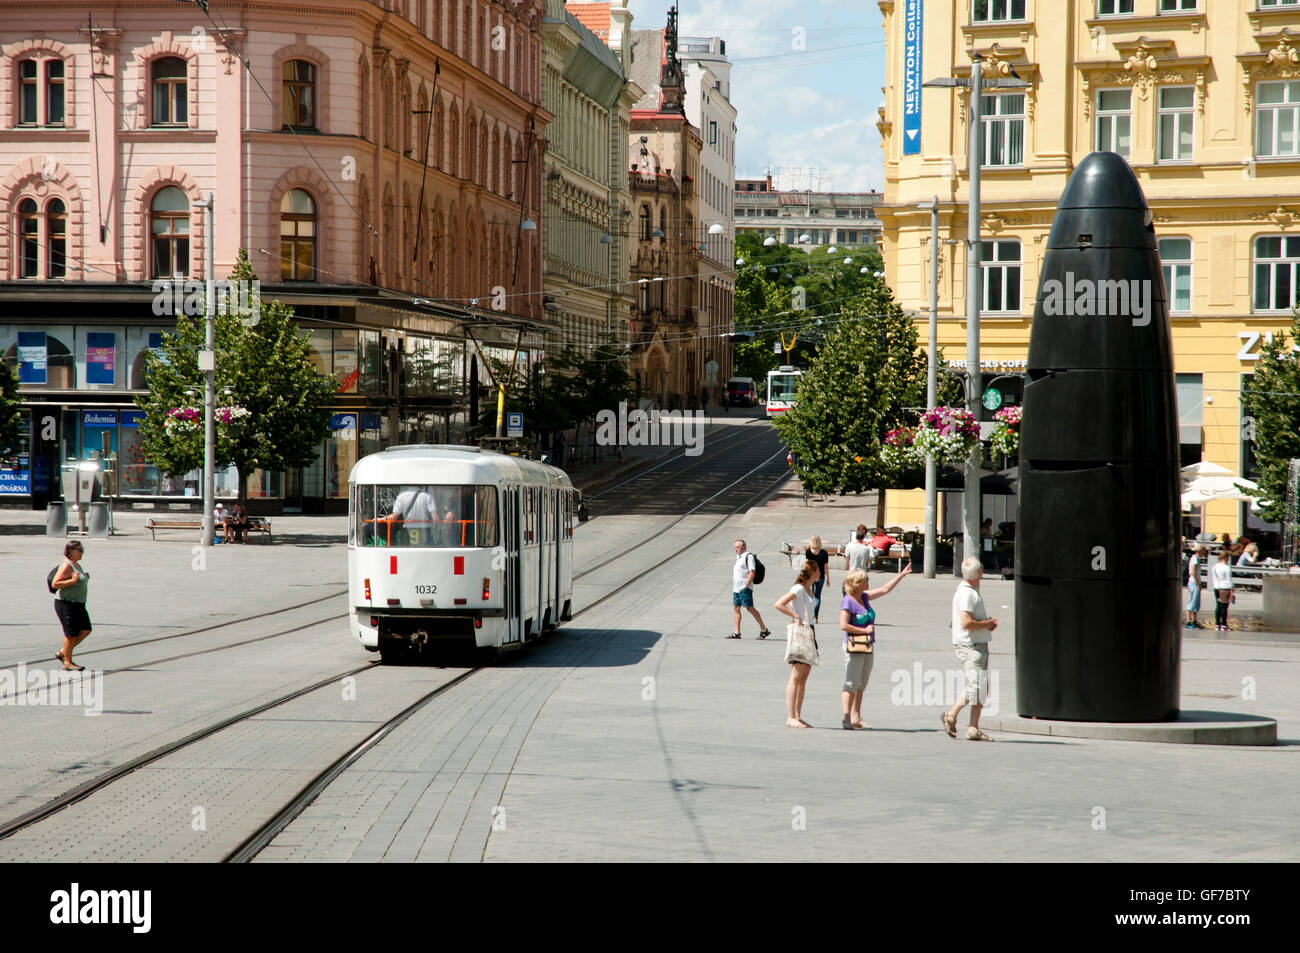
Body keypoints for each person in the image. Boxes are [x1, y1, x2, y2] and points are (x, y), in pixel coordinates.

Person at [839, 562, 912, 730]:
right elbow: (843, 625)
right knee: (851, 683)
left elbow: (885, 589)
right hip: (854, 646)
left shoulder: (863, 597)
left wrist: (901, 576)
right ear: (857, 584)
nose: (868, 582)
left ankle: (857, 716)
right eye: (865, 580)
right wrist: (864, 630)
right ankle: (846, 718)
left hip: (867, 645)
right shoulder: (848, 601)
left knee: (861, 683)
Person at [943, 556, 997, 741]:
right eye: (981, 570)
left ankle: (973, 728)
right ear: (978, 573)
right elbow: (966, 622)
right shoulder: (967, 593)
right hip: (971, 645)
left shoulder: (967, 591)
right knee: (976, 686)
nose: (983, 574)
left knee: (982, 687)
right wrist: (987, 623)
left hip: (973, 644)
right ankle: (951, 715)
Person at [774, 560, 819, 728]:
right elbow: (779, 603)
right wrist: (795, 616)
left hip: (810, 631)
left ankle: (797, 715)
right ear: (813, 572)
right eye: (818, 570)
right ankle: (791, 716)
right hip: (800, 632)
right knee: (796, 676)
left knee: (803, 677)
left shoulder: (808, 589)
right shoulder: (799, 588)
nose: (820, 573)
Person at [51, 541, 92, 672]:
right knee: (71, 634)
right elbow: (55, 584)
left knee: (86, 629)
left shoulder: (76, 565)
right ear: (71, 551)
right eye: (80, 550)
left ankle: (64, 652)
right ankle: (67, 662)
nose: (82, 552)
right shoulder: (66, 566)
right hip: (66, 603)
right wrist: (73, 581)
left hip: (78, 603)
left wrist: (84, 578)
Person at [727, 538, 771, 640]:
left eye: (738, 547)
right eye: (735, 547)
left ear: (744, 547)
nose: (736, 549)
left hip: (744, 588)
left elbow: (752, 571)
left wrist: (746, 586)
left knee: (749, 608)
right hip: (736, 588)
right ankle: (737, 632)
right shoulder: (738, 557)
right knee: (736, 608)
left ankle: (764, 629)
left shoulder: (748, 556)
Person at [804, 535, 830, 623]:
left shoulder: (808, 552)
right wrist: (828, 578)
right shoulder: (824, 553)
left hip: (810, 575)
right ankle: (816, 616)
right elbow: (826, 566)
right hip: (821, 576)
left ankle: (810, 614)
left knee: (810, 595)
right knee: (817, 596)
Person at [1211, 549, 1234, 631]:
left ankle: (1217, 624)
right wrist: (1232, 591)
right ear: (1226, 557)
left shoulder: (1214, 566)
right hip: (1225, 588)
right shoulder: (1226, 568)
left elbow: (1213, 578)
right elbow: (1229, 580)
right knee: (1224, 607)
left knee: (1218, 606)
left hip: (1216, 587)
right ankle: (1224, 624)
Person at [1185, 545, 1207, 629]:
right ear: (1199, 551)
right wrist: (1198, 583)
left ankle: (1194, 621)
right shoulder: (1195, 559)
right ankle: (1188, 622)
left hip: (1194, 582)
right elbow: (1193, 572)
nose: (1204, 552)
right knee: (1192, 602)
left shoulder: (1196, 558)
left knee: (1195, 603)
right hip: (1194, 583)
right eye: (1203, 550)